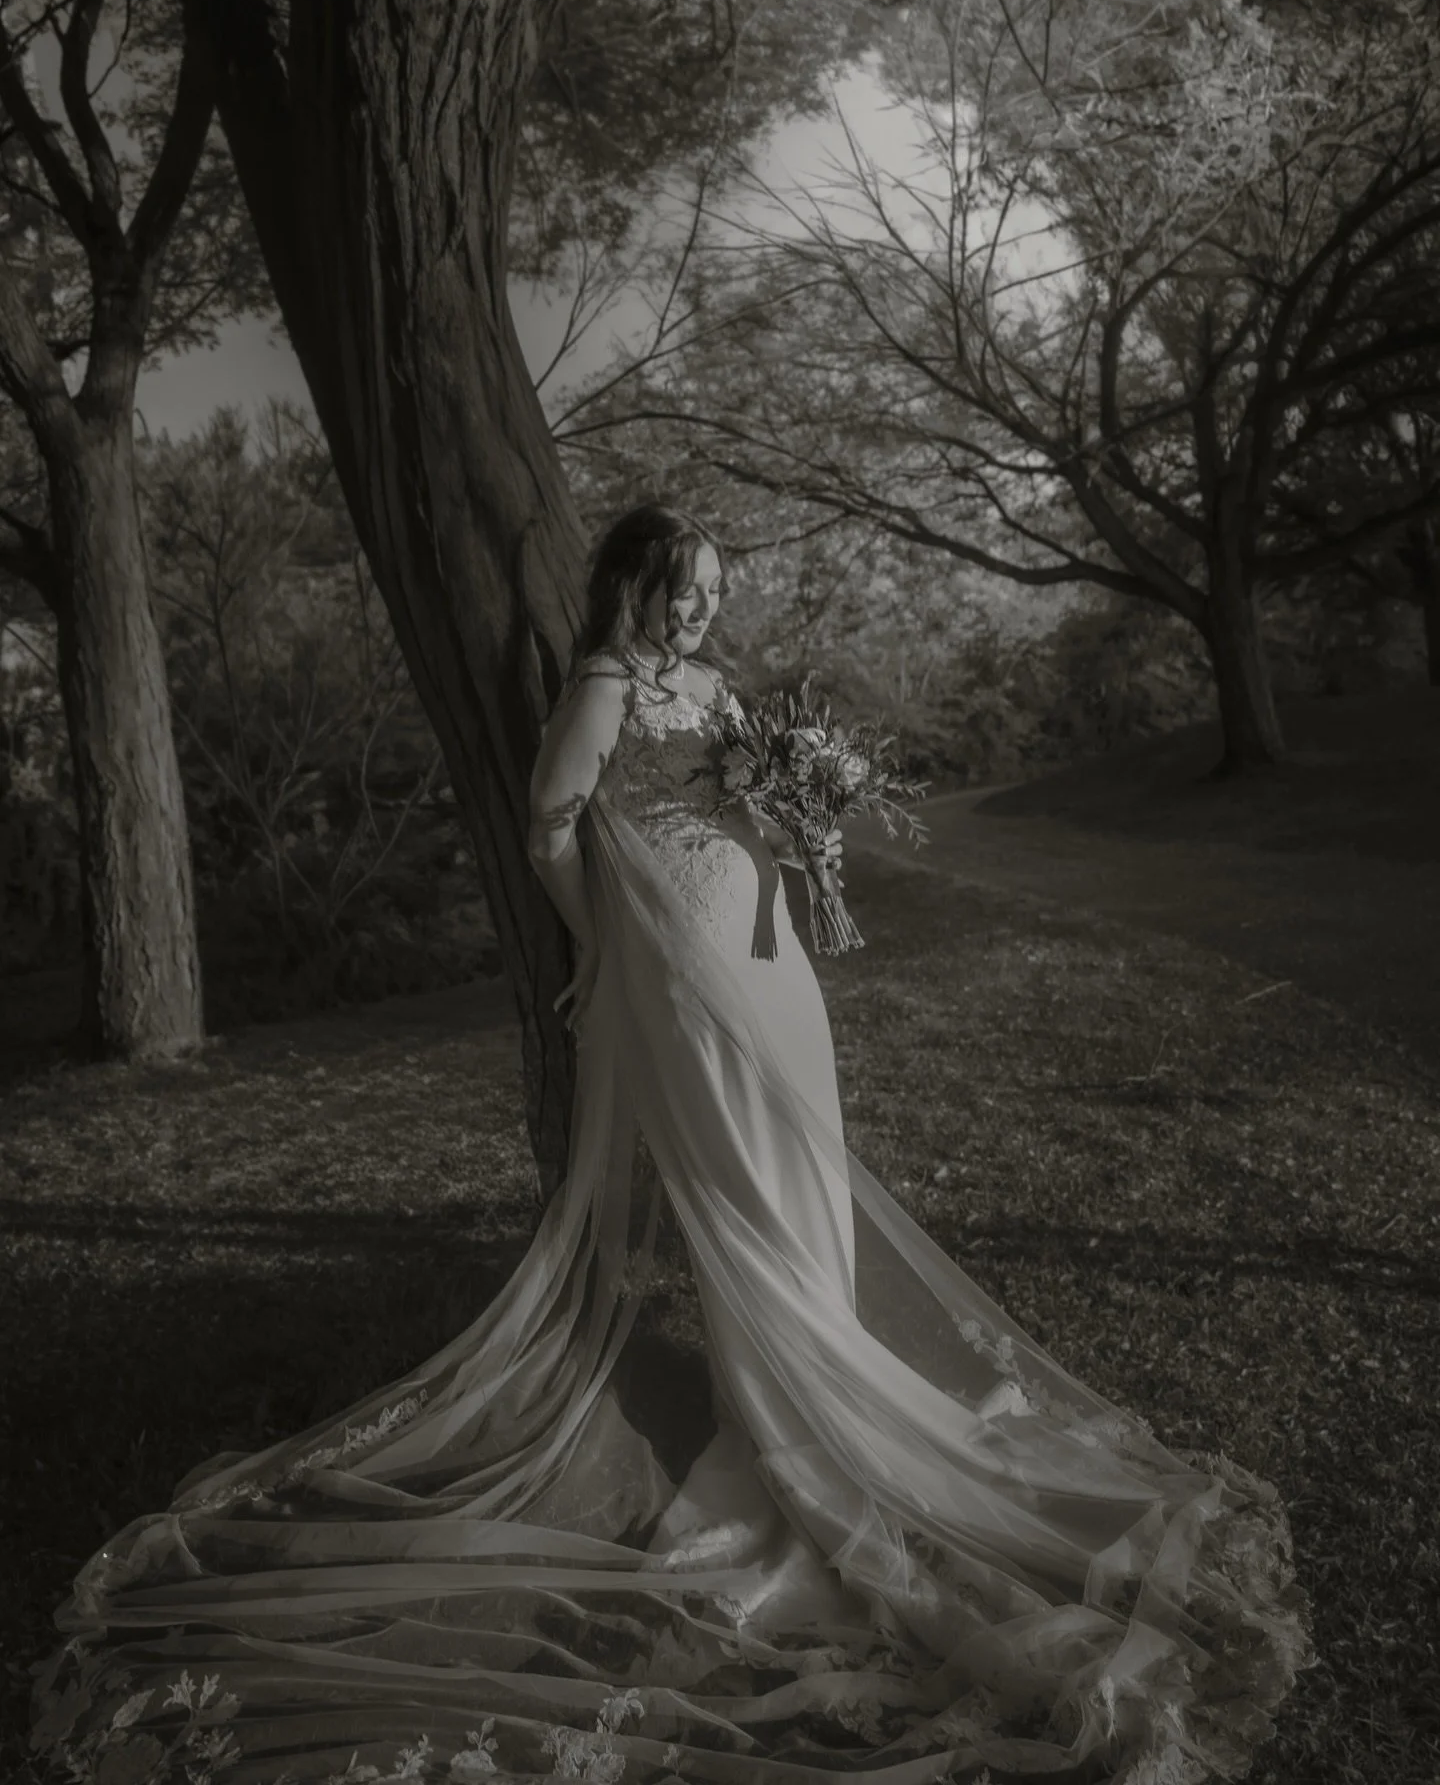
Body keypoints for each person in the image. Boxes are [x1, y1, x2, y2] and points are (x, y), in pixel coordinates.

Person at [33, 504, 1311, 1785]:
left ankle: (840, 1375)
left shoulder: (708, 687)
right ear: (631, 588)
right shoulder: (601, 690)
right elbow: (551, 826)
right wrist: (610, 942)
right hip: (689, 977)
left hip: (776, 970)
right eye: (684, 589)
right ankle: (802, 1428)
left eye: (713, 589)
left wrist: (803, 826)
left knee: (806, 1165)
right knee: (746, 1186)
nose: (702, 609)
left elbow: (736, 804)